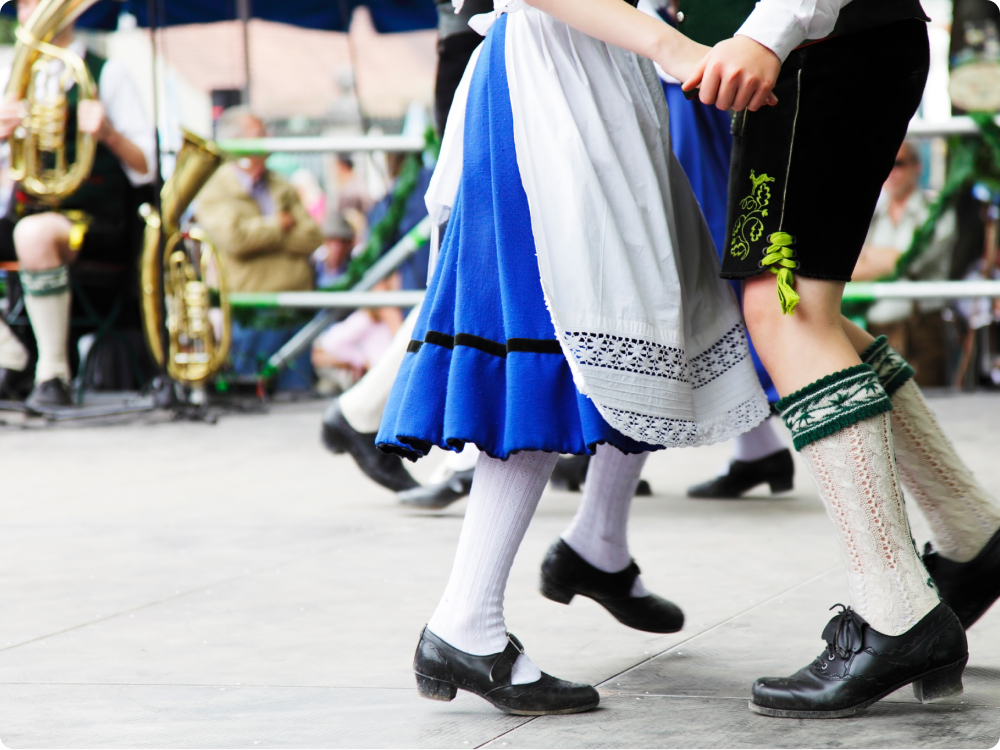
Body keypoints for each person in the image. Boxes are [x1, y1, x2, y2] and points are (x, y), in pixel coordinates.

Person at [375, 0, 773, 715]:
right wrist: (671, 45)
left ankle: (593, 544)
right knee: (556, 344)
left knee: (645, 329)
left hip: (600, 73)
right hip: (550, 82)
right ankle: (467, 619)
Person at [685, 0, 999, 718]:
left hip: (817, 47)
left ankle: (896, 609)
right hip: (821, 48)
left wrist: (769, 30)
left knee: (784, 309)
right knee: (798, 313)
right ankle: (969, 530)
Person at [638, 0, 794, 500]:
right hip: (675, 62)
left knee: (698, 254)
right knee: (689, 258)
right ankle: (759, 447)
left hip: (694, 69)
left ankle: (599, 455)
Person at [0, 0, 156, 409]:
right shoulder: (11, 78)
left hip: (97, 222)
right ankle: (10, 352)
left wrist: (108, 134)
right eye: (23, 4)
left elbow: (146, 170)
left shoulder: (108, 73)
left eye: (36, 1)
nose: (27, 11)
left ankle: (53, 373)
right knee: (27, 229)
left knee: (33, 234)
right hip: (26, 212)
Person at [195, 107, 323, 393]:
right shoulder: (214, 188)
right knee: (249, 397)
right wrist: (280, 226)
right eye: (259, 133)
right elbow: (235, 240)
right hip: (251, 314)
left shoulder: (281, 184)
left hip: (295, 309)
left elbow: (313, 236)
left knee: (298, 397)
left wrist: (261, 234)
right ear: (237, 140)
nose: (268, 138)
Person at [852, 141, 957, 387]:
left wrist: (868, 256)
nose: (890, 172)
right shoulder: (870, 213)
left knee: (929, 411)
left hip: (921, 330)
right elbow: (848, 267)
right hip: (875, 330)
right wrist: (887, 259)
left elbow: (907, 260)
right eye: (884, 164)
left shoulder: (935, 211)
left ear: (917, 166)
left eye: (897, 163)